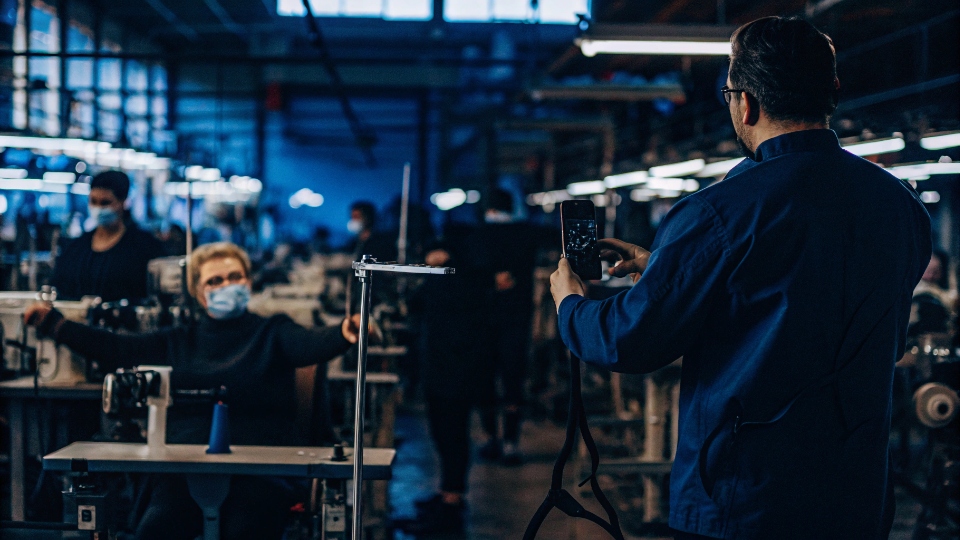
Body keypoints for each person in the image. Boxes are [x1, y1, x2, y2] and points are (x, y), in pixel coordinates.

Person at [549, 17, 930, 540]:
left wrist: (570, 303)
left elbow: (627, 339)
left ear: (744, 102)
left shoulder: (717, 213)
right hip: (855, 494)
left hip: (746, 497)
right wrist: (668, 267)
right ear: (833, 93)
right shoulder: (901, 207)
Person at [26, 242, 362, 540]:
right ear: (199, 292)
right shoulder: (177, 340)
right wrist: (56, 325)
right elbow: (117, 349)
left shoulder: (273, 332)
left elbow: (309, 344)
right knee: (157, 528)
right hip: (180, 469)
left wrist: (344, 333)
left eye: (234, 277)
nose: (226, 285)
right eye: (214, 281)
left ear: (248, 280)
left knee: (247, 530)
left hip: (260, 470)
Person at [473, 188, 543, 465]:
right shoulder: (526, 234)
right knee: (513, 380)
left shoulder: (476, 236)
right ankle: (511, 442)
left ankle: (493, 439)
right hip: (516, 318)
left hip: (484, 320)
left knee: (486, 381)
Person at [50, 170, 165, 302]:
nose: (98, 208)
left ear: (122, 202)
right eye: (93, 201)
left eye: (105, 203)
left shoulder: (144, 248)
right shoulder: (75, 249)